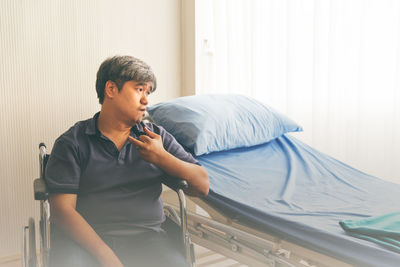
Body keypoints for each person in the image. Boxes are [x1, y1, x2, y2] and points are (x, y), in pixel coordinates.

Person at [45, 55, 209, 267]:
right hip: (85, 241)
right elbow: (61, 210)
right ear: (111, 89)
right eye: (139, 89)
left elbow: (203, 185)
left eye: (148, 92)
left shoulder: (155, 137)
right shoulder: (73, 142)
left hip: (148, 239)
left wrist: (162, 157)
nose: (146, 100)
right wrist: (106, 255)